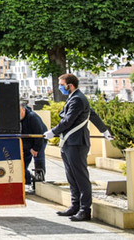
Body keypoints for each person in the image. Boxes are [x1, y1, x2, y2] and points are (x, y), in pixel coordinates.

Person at [43, 73, 113, 222]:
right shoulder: (75, 98)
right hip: (69, 143)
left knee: (80, 177)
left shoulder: (78, 99)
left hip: (77, 143)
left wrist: (52, 132)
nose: (60, 87)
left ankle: (84, 210)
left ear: (70, 85)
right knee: (71, 176)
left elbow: (68, 121)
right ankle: (75, 206)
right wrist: (104, 130)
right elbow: (92, 114)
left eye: (62, 85)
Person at [19, 101, 47, 192]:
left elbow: (39, 134)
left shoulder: (32, 117)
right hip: (26, 143)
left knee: (39, 159)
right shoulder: (16, 119)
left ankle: (39, 181)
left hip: (39, 141)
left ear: (23, 109)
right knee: (22, 163)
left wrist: (35, 148)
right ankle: (28, 179)